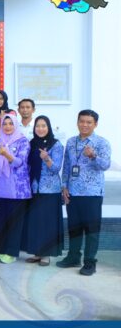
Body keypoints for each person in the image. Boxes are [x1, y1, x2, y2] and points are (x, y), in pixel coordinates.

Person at [58, 110, 111, 276]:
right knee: (74, 228)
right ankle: (73, 257)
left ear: (95, 124)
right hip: (73, 192)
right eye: (82, 121)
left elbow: (105, 165)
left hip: (92, 193)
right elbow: (67, 166)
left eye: (89, 122)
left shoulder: (101, 143)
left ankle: (89, 262)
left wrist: (93, 156)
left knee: (91, 230)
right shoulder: (71, 142)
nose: (85, 125)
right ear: (77, 122)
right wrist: (64, 186)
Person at [25, 116, 64, 267]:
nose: (40, 129)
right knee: (36, 222)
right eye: (37, 126)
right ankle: (37, 252)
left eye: (43, 126)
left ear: (49, 127)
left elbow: (56, 169)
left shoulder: (56, 144)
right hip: (34, 188)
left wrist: (47, 158)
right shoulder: (32, 143)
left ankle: (46, 254)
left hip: (50, 190)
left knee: (47, 223)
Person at [0, 114, 31, 264]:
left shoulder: (23, 141)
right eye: (5, 124)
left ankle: (12, 253)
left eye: (11, 123)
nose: (7, 126)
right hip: (2, 188)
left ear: (15, 125)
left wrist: (6, 154)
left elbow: (19, 162)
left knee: (14, 224)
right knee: (3, 222)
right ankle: (3, 250)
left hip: (17, 190)